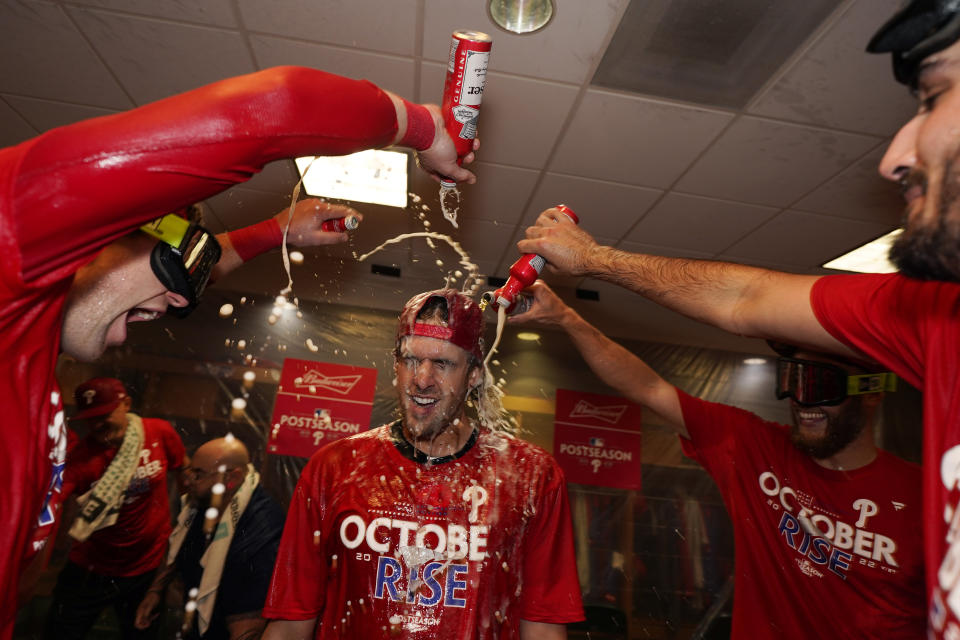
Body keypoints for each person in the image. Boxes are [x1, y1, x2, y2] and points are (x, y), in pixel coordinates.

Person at [516, 2, 960, 635]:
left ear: (867, 391)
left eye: (935, 95)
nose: (893, 157)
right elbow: (737, 305)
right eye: (794, 381)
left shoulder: (916, 488)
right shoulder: (930, 321)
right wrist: (575, 300)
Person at [2, 64, 476, 637]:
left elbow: (158, 271)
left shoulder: (29, 336)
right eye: (150, 307)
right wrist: (426, 127)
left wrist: (275, 230)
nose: (128, 335)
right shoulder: (13, 237)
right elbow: (277, 105)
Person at [512, 281, 925, 637]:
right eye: (792, 380)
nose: (802, 400)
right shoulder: (755, 448)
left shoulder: (926, 496)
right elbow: (648, 388)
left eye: (821, 385)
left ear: (871, 393)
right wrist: (568, 318)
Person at [261, 289, 584, 639]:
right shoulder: (335, 468)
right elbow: (290, 624)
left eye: (443, 364)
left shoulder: (530, 476)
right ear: (396, 365)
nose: (423, 379)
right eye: (411, 360)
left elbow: (543, 629)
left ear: (474, 374)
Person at [44, 377, 186, 640]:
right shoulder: (81, 458)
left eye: (104, 414)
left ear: (126, 404)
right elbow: (52, 500)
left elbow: (186, 477)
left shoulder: (159, 432)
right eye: (90, 418)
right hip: (90, 569)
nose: (97, 425)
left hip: (147, 568)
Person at [134, 436, 285, 640]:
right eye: (191, 471)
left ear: (232, 479)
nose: (188, 480)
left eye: (198, 474)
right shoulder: (201, 504)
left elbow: (248, 628)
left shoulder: (260, 533)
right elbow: (178, 543)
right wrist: (155, 590)